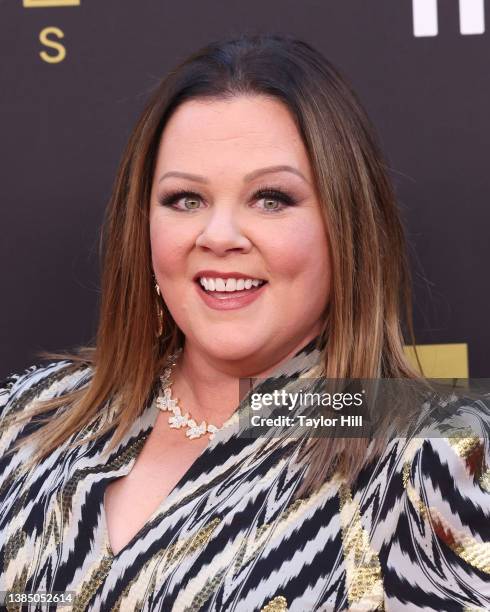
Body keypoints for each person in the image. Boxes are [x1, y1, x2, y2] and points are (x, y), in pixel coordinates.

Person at [1, 33, 489, 612]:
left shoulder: (438, 450)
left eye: (271, 198)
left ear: (348, 224)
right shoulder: (29, 418)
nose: (219, 236)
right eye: (185, 199)